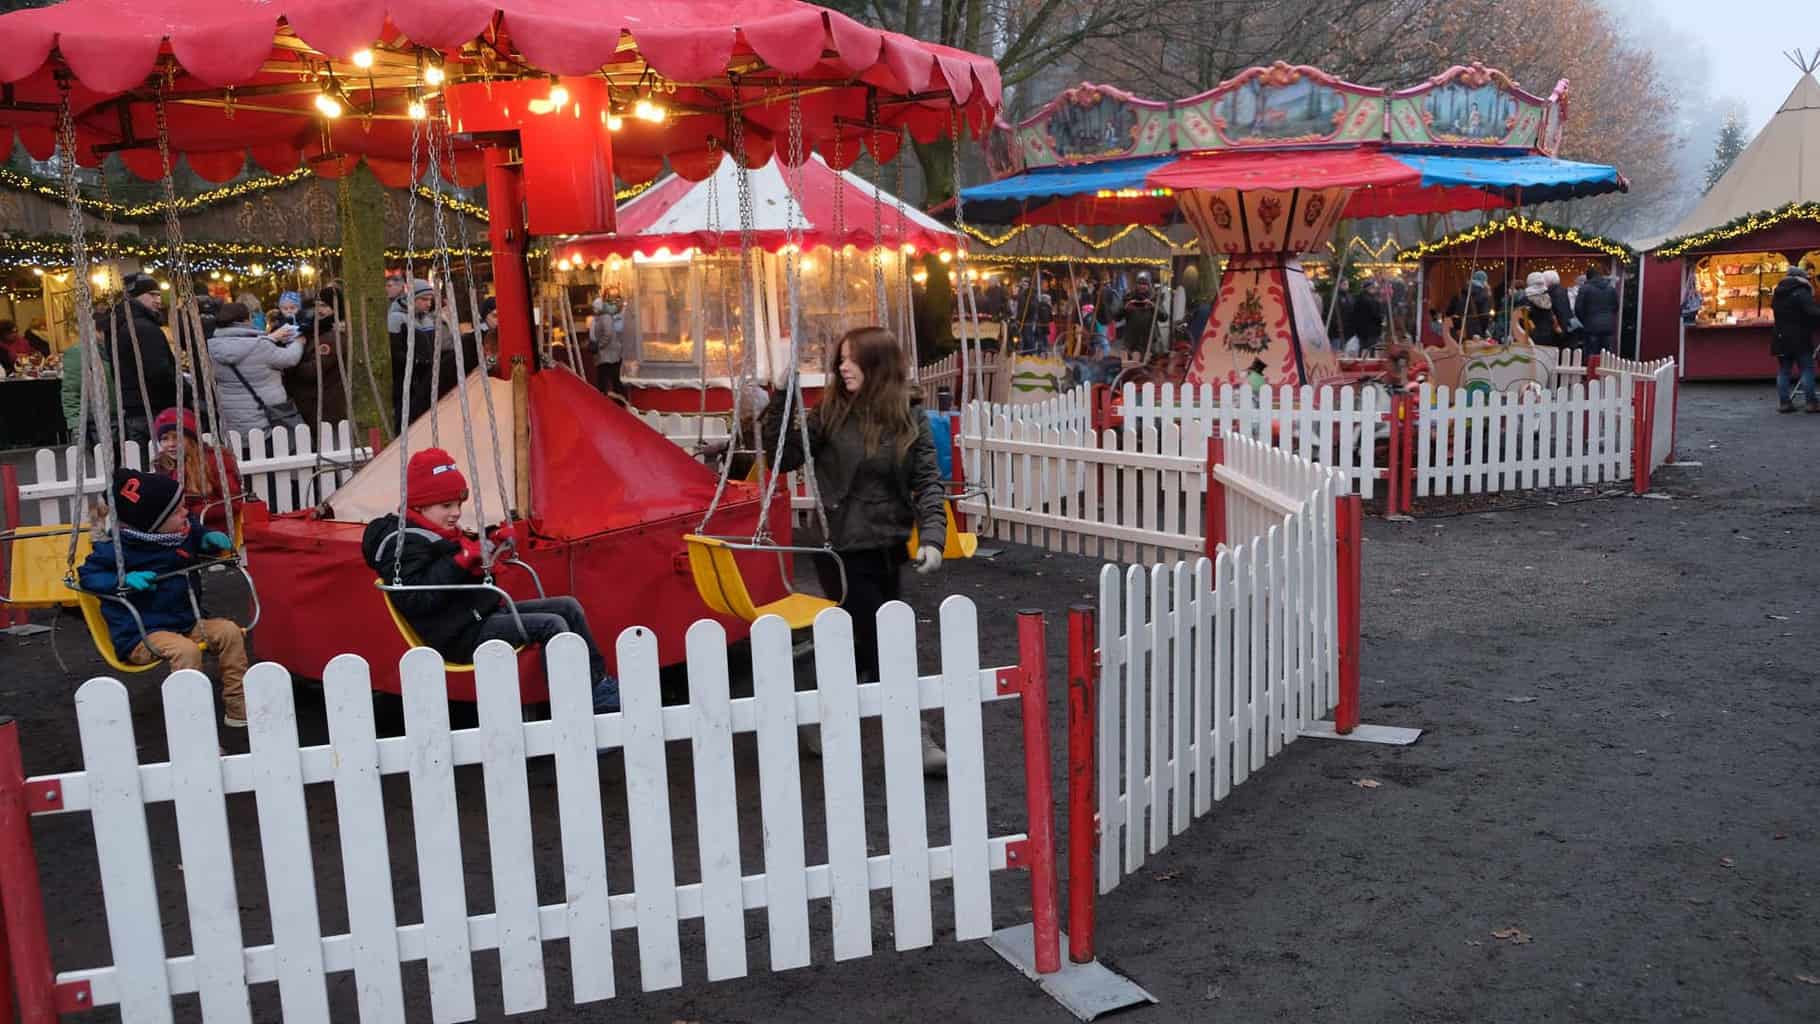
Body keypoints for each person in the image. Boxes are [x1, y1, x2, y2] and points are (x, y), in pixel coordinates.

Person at [761, 326, 948, 772]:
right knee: (884, 642)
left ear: (877, 366)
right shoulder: (830, 414)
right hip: (840, 549)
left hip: (888, 545)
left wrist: (935, 539)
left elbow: (927, 482)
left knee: (862, 645)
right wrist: (780, 402)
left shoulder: (909, 416)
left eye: (851, 359)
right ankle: (913, 737)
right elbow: (782, 458)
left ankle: (816, 709)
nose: (842, 367)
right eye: (840, 359)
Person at [361, 448, 622, 712]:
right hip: (456, 634)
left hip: (476, 616)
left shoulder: (437, 533)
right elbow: (416, 598)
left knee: (568, 606)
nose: (456, 513)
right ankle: (574, 706)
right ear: (420, 505)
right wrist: (460, 561)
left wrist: (491, 538)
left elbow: (458, 553)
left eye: (458, 505)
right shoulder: (404, 544)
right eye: (446, 506)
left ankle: (597, 685)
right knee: (551, 625)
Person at [78, 468, 248, 727]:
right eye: (178, 510)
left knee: (230, 632)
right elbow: (88, 575)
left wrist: (206, 540)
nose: (186, 514)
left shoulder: (181, 533)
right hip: (141, 633)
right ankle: (192, 723)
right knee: (186, 651)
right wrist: (122, 580)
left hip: (185, 622)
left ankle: (238, 708)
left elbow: (195, 533)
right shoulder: (118, 550)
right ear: (153, 523)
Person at [95, 273, 179, 445]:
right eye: (152, 294)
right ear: (136, 297)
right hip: (153, 405)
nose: (158, 300)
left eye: (158, 294)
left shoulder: (119, 324)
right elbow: (159, 371)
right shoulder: (142, 328)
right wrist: (183, 389)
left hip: (133, 405)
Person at [209, 301, 305, 438]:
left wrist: (270, 338)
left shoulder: (211, 348)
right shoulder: (260, 346)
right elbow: (290, 358)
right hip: (265, 417)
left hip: (232, 420)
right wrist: (298, 342)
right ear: (245, 320)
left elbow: (243, 345)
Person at [151, 407, 242, 533]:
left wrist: (190, 512)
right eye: (165, 439)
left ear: (191, 438)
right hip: (177, 530)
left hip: (211, 529)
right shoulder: (163, 465)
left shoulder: (214, 461)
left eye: (177, 437)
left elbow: (234, 504)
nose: (171, 444)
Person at [287, 286, 348, 428]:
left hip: (325, 404)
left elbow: (313, 370)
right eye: (317, 305)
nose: (319, 310)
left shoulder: (333, 336)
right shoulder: (314, 329)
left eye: (325, 306)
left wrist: (290, 363)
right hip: (313, 402)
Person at [1769, 265, 1820, 413]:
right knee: (1806, 369)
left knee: (1784, 370)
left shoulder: (1778, 292)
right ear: (1801, 278)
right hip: (1800, 336)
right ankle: (1811, 403)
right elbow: (1812, 312)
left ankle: (1784, 402)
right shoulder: (1802, 292)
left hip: (1780, 337)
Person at [589, 285, 629, 396]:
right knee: (611, 379)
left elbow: (608, 334)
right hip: (608, 354)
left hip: (608, 354)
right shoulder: (602, 317)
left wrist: (599, 345)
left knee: (606, 379)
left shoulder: (605, 317)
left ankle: (611, 400)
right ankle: (616, 398)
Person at [1573, 266, 1619, 361]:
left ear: (1588, 277)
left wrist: (1585, 320)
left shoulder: (1584, 288)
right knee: (1606, 356)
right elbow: (1616, 306)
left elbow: (1578, 308)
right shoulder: (1611, 288)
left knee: (1591, 356)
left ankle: (1591, 375)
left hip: (1591, 327)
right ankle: (1605, 375)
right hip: (1608, 327)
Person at [1519, 272, 1567, 348]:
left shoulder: (1525, 299)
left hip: (1532, 337)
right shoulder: (1547, 297)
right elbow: (1551, 317)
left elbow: (1523, 320)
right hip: (1549, 335)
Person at [1118, 273, 1160, 356]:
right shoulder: (1128, 297)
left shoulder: (1155, 298)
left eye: (1144, 284)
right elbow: (1116, 317)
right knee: (1131, 366)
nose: (1142, 286)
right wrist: (1125, 308)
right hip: (1131, 342)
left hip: (1149, 341)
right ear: (1136, 285)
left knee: (1149, 367)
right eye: (1140, 284)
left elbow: (1164, 317)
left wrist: (1153, 307)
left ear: (1149, 285)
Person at [1445, 270, 1493, 340]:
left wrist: (1456, 326)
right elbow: (1484, 316)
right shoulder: (1483, 295)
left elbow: (1449, 313)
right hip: (1475, 332)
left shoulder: (1460, 294)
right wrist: (1483, 330)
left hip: (1459, 331)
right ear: (1484, 281)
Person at [1348, 281, 1386, 355]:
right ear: (1368, 288)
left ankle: (1360, 359)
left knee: (1362, 348)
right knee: (1370, 349)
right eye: (1373, 288)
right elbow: (1375, 315)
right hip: (1371, 330)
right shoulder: (1370, 300)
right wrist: (1381, 319)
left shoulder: (1358, 298)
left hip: (1360, 330)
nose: (1375, 289)